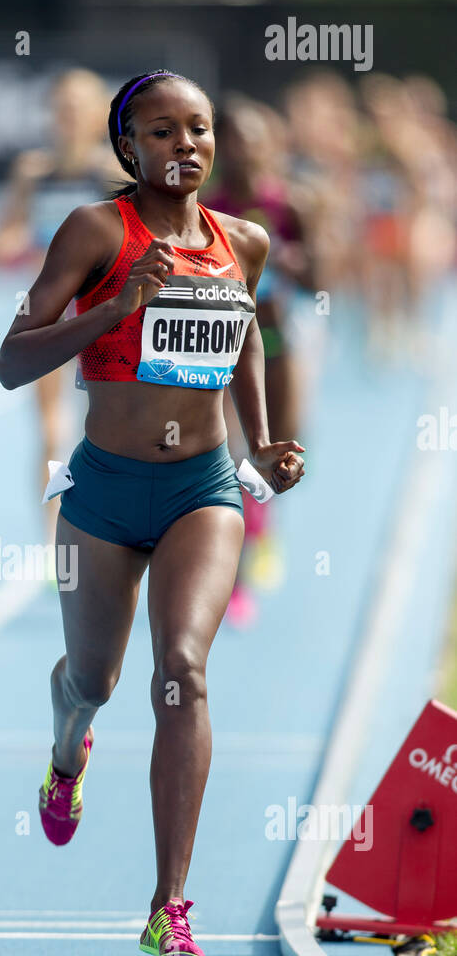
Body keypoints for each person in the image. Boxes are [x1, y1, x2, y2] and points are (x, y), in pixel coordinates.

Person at [0, 70, 304, 956]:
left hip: (200, 491)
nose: (186, 145)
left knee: (185, 671)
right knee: (94, 680)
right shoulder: (96, 231)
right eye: (162, 131)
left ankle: (170, 903)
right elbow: (12, 362)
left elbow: (244, 333)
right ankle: (66, 750)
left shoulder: (244, 241)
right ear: (129, 147)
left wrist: (264, 446)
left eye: (198, 129)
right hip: (101, 493)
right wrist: (115, 310)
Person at [0, 69, 117, 542]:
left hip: (101, 315)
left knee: (105, 428)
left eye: (78, 108)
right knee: (47, 431)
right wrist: (12, 241)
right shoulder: (33, 171)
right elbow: (4, 234)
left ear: (97, 115)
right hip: (45, 314)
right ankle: (52, 536)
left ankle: (106, 530)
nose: (67, 117)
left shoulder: (112, 173)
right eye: (61, 108)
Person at [205, 95, 317, 623]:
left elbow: (322, 280)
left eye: (252, 139)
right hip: (226, 347)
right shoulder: (208, 205)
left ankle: (264, 527)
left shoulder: (289, 205)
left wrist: (294, 264)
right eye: (232, 139)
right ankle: (239, 574)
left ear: (267, 145)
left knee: (285, 448)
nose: (242, 149)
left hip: (278, 342)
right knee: (234, 456)